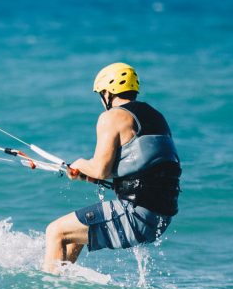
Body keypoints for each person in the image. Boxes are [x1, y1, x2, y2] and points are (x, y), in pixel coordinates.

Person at [42, 63, 182, 274]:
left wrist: (80, 164)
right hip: (160, 217)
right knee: (71, 237)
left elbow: (100, 169)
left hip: (138, 215)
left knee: (55, 231)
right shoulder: (155, 116)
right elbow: (142, 166)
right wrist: (88, 176)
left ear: (108, 93)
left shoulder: (113, 117)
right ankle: (60, 284)